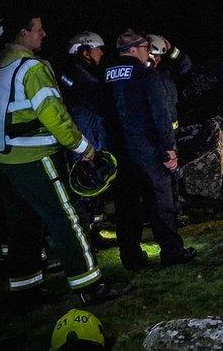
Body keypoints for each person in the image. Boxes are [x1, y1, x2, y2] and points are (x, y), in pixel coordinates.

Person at [0, 13, 120, 305]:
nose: (43, 33)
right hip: (37, 158)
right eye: (38, 29)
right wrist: (84, 148)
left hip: (2, 161)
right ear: (22, 33)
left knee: (21, 223)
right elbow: (54, 116)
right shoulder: (31, 69)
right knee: (66, 218)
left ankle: (26, 289)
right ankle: (89, 284)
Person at [104, 29, 195, 270]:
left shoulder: (106, 76)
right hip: (148, 150)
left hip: (118, 152)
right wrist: (169, 149)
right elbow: (160, 115)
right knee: (161, 202)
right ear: (134, 49)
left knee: (127, 206)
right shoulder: (146, 75)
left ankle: (131, 257)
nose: (148, 53)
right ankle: (172, 251)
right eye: (145, 48)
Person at [59, 32, 109, 156]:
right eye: (97, 49)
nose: (101, 53)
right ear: (85, 52)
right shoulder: (80, 76)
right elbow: (98, 105)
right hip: (88, 136)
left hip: (85, 133)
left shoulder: (77, 72)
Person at [147, 34, 192, 131]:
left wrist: (172, 50)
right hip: (152, 134)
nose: (157, 58)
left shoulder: (165, 72)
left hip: (171, 131)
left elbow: (185, 66)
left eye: (159, 55)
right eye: (154, 55)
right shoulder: (139, 75)